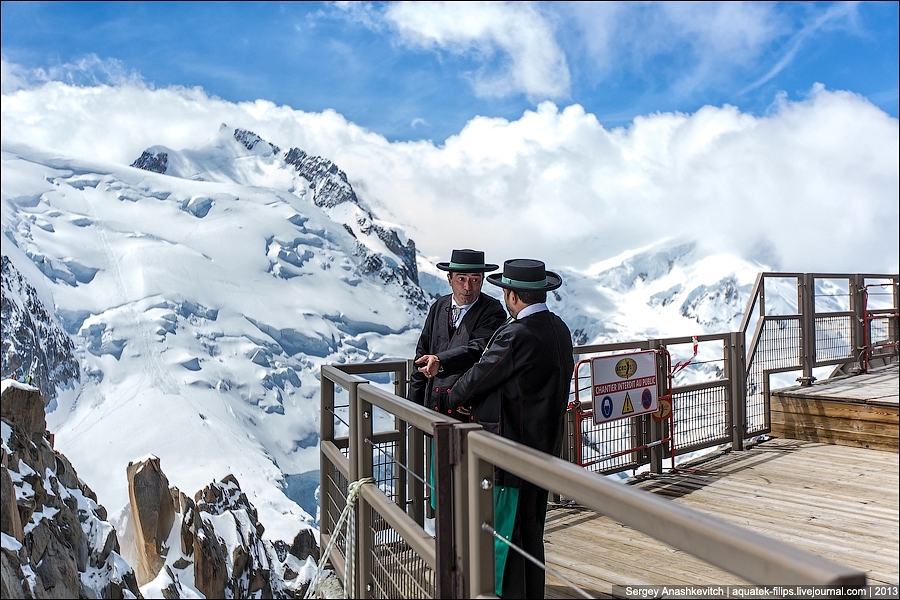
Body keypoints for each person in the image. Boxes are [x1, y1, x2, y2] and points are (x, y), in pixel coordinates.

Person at [449, 258, 575, 600]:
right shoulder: (559, 329)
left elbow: (480, 376)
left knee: (505, 535)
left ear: (513, 297)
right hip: (545, 450)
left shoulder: (515, 334)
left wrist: (455, 396)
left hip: (510, 452)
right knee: (533, 531)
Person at [408, 249, 507, 420]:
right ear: (449, 279)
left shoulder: (492, 311)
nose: (467, 287)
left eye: (475, 280)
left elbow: (478, 349)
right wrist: (412, 405)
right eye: (461, 279)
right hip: (434, 410)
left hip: (468, 409)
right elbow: (422, 354)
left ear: (482, 281)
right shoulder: (439, 306)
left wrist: (440, 361)